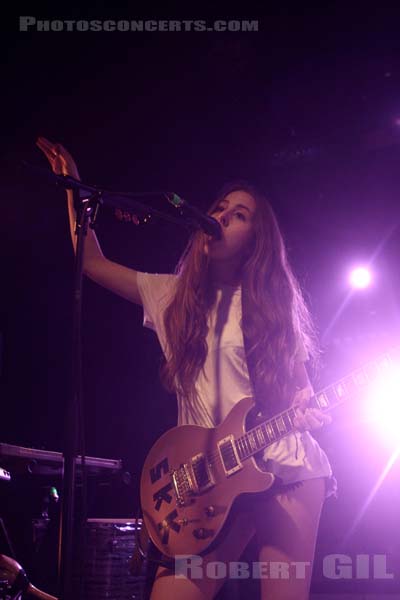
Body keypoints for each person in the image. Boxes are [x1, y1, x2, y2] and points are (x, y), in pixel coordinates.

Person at [36, 136, 335, 600]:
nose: (222, 216)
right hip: (204, 482)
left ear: (257, 240)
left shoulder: (274, 307)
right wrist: (75, 190)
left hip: (286, 465)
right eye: (219, 207)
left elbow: (301, 391)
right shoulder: (171, 296)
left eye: (239, 214)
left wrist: (306, 404)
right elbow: (92, 263)